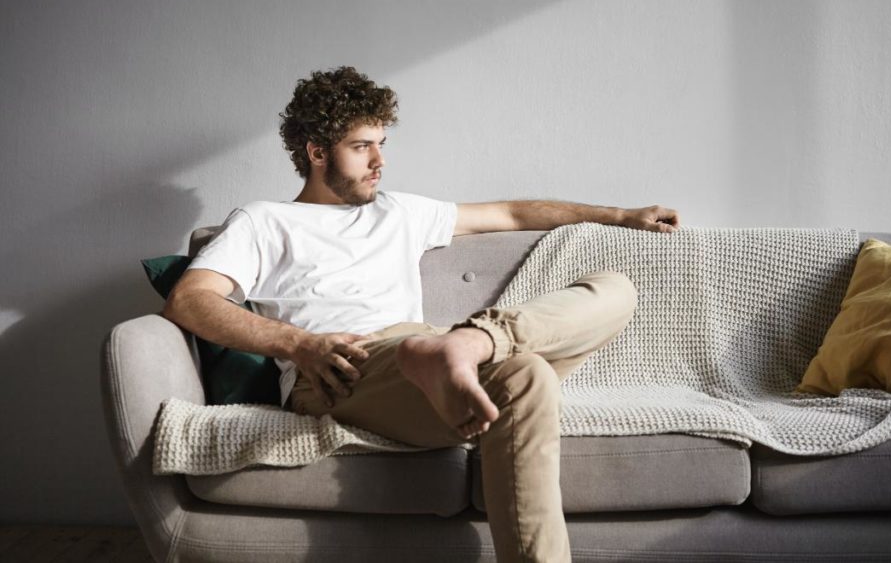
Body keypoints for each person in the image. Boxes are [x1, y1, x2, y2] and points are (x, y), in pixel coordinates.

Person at [163, 66, 680, 563]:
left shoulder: (401, 211)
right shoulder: (266, 220)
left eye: (381, 144)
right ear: (317, 152)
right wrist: (300, 344)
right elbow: (189, 299)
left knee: (615, 291)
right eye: (361, 146)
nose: (378, 161)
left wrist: (621, 216)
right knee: (526, 374)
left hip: (430, 347)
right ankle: (458, 349)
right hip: (347, 364)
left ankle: (472, 344)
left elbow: (513, 214)